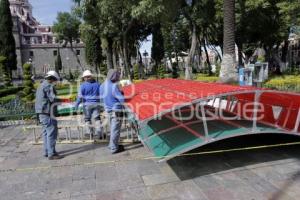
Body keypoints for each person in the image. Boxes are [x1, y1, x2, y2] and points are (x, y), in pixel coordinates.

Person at [35, 71, 63, 160]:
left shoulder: (41, 85)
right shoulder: (48, 86)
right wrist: (64, 101)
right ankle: (52, 154)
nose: (56, 82)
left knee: (46, 133)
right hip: (48, 113)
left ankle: (47, 151)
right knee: (52, 132)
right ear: (51, 79)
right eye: (55, 80)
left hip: (41, 113)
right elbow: (53, 99)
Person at [100, 69, 125, 154]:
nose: (118, 77)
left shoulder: (102, 85)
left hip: (108, 110)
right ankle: (114, 148)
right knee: (115, 130)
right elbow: (121, 99)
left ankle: (111, 145)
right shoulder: (113, 86)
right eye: (117, 76)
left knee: (113, 129)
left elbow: (102, 98)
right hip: (116, 110)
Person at [75, 70, 103, 139]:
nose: (86, 78)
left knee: (87, 119)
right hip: (96, 103)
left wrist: (76, 105)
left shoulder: (83, 86)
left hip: (87, 105)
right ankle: (99, 133)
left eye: (85, 77)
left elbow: (79, 97)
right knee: (97, 118)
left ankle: (89, 133)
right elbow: (102, 94)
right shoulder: (98, 84)